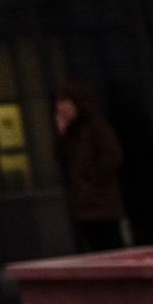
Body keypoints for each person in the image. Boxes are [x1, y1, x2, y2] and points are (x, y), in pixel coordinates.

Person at [52, 81, 125, 253]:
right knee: (95, 251)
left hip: (102, 205)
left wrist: (90, 178)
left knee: (111, 250)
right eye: (59, 103)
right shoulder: (70, 133)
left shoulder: (95, 126)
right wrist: (61, 134)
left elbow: (113, 155)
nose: (60, 107)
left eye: (64, 102)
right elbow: (60, 159)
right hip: (82, 207)